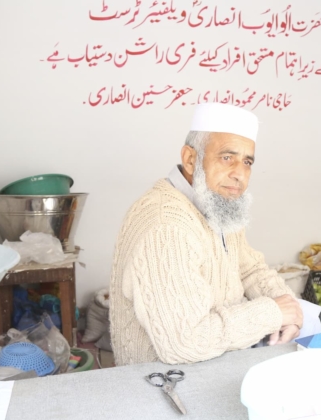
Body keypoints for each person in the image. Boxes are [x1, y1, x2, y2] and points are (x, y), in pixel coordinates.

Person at [109, 103, 306, 366]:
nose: (239, 174)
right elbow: (184, 343)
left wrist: (288, 308)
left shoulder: (217, 202)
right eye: (227, 157)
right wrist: (272, 313)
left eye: (247, 162)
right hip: (163, 386)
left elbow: (250, 270)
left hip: (214, 364)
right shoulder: (166, 226)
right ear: (190, 159)